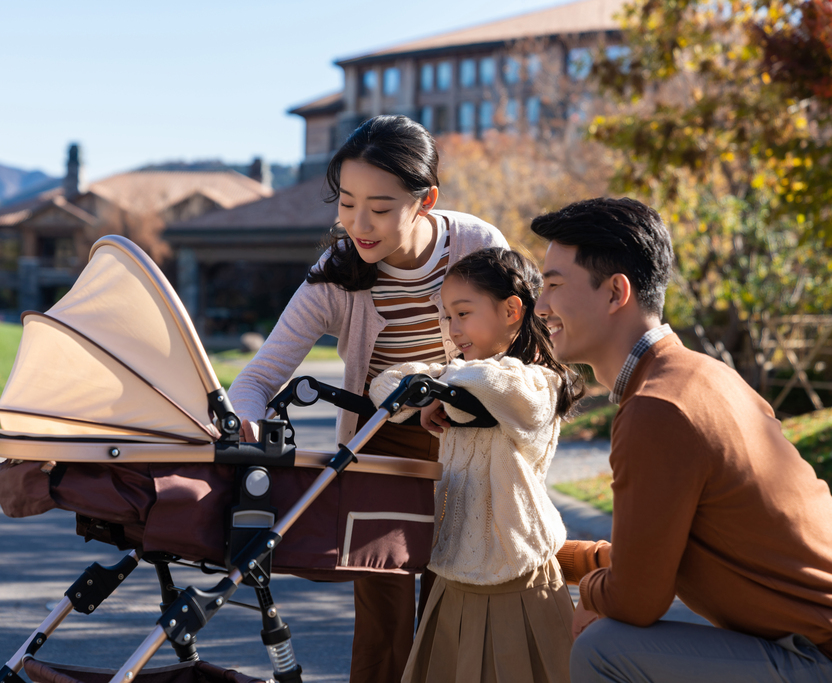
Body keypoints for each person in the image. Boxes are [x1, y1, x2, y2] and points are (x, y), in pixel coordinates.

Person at [228, 114, 508, 683]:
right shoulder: (335, 274)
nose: (359, 224)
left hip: (473, 441)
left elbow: (514, 357)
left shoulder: (478, 246)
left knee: (456, 603)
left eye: (380, 208)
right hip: (379, 447)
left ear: (425, 199)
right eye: (346, 203)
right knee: (382, 613)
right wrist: (245, 424)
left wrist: (458, 396)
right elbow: (255, 381)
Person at [529, 197, 832, 682]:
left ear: (614, 293)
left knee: (604, 648)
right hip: (804, 646)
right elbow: (659, 556)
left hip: (815, 659)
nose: (540, 305)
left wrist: (592, 597)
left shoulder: (657, 407)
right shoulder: (701, 377)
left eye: (554, 285)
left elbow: (636, 601)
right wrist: (568, 562)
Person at [369, 247, 583, 683]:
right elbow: (384, 385)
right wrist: (430, 393)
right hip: (455, 567)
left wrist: (436, 388)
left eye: (463, 313)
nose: (453, 328)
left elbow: (494, 382)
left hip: (520, 569)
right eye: (448, 316)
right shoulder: (457, 376)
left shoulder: (538, 383)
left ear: (511, 310)